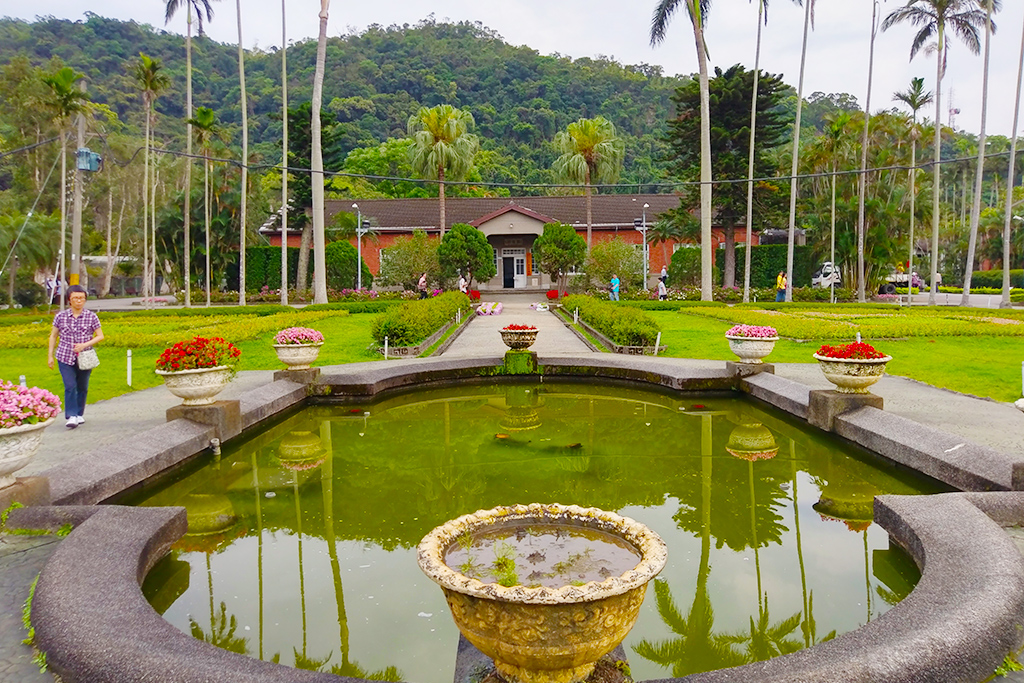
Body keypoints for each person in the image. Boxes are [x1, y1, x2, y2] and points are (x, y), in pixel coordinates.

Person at [47, 285, 104, 429]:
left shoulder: (91, 316)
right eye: (75, 298)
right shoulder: (60, 316)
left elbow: (100, 336)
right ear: (69, 300)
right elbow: (53, 335)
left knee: (82, 386)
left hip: (85, 357)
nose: (79, 301)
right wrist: (50, 356)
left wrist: (84, 345)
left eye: (81, 298)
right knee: (70, 385)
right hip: (64, 356)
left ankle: (79, 413)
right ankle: (71, 415)